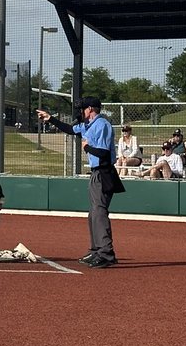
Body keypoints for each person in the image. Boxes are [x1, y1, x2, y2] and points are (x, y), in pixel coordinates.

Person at [36, 96, 122, 269]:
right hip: (96, 173)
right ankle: (96, 250)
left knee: (99, 213)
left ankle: (106, 253)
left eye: (82, 109)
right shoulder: (88, 125)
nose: (80, 112)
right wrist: (50, 118)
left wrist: (86, 147)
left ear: (90, 109)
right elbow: (70, 129)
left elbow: (104, 153)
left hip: (104, 172)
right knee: (93, 214)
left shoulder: (102, 124)